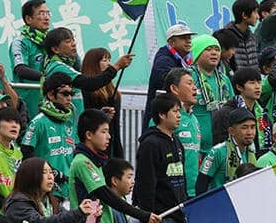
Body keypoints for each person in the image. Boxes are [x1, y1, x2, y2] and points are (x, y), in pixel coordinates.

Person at [69, 109, 159, 223]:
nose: (109, 136)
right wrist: (142, 215)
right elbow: (105, 194)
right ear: (89, 135)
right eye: (104, 132)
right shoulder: (82, 162)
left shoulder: (95, 160)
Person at [41, 28, 132, 122]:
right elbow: (90, 84)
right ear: (55, 49)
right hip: (63, 123)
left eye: (73, 40)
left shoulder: (65, 64)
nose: (73, 44)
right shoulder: (58, 67)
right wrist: (116, 67)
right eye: (68, 41)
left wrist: (99, 114)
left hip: (72, 123)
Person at [21, 73, 77, 208]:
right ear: (51, 95)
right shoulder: (38, 122)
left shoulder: (69, 120)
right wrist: (50, 172)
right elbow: (26, 153)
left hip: (69, 190)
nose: (69, 98)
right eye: (65, 94)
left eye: (71, 94)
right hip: (47, 192)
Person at [134, 94, 187, 223]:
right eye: (174, 111)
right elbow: (145, 183)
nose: (179, 115)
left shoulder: (177, 142)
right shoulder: (150, 144)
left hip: (178, 213)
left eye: (179, 111)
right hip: (160, 216)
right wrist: (147, 214)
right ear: (162, 115)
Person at [3, 157, 101, 223]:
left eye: (51, 172)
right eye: (44, 172)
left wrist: (89, 215)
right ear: (30, 176)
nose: (50, 177)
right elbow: (41, 222)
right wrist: (78, 212)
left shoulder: (51, 202)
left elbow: (66, 219)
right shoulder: (18, 203)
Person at [196, 108, 257, 194]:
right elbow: (201, 184)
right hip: (221, 200)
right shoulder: (217, 152)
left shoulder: (252, 151)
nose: (250, 132)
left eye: (253, 127)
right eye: (244, 127)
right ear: (231, 131)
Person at [189, 34, 232, 154]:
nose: (214, 53)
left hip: (222, 148)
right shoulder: (189, 77)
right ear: (197, 53)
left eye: (217, 49)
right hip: (195, 148)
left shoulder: (224, 80)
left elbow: (232, 108)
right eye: (208, 49)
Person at [162, 68, 201, 198]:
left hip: (193, 191)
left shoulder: (194, 118)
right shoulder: (165, 118)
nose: (195, 88)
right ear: (174, 89)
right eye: (189, 83)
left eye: (194, 84)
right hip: (172, 193)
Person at [9, 0, 51, 119]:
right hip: (28, 103)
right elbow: (21, 70)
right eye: (41, 14)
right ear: (28, 19)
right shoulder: (20, 42)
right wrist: (49, 78)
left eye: (48, 13)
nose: (46, 17)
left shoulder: (52, 42)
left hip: (49, 101)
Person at [145, 24, 195, 123]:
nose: (188, 41)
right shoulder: (163, 61)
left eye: (189, 37)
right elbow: (170, 86)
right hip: (162, 118)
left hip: (173, 115)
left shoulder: (186, 60)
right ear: (172, 42)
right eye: (183, 38)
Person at [80, 48, 122, 158]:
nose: (108, 64)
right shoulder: (87, 89)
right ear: (93, 64)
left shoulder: (111, 88)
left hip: (113, 139)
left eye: (109, 60)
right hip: (97, 144)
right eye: (104, 60)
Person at [212, 67, 261, 147]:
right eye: (252, 83)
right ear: (239, 87)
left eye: (259, 82)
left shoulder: (261, 112)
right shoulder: (226, 113)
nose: (257, 86)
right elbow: (221, 144)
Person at [225, 0, 260, 72]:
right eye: (255, 12)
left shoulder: (252, 37)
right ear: (244, 15)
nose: (258, 17)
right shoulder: (227, 38)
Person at [104, 158, 135, 223]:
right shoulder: (110, 207)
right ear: (114, 181)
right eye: (129, 177)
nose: (133, 182)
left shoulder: (122, 199)